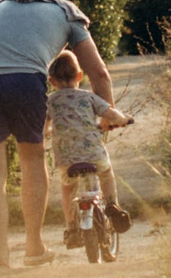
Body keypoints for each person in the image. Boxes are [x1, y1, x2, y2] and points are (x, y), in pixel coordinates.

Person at [0, 0, 114, 267]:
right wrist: (105, 119)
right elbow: (99, 73)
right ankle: (34, 248)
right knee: (31, 159)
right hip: (24, 79)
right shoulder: (65, 10)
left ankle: (0, 254)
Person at [45, 52, 133, 246]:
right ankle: (112, 205)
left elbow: (43, 129)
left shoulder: (50, 102)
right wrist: (123, 119)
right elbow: (110, 114)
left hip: (67, 160)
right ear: (79, 76)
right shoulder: (89, 98)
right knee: (107, 172)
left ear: (52, 81)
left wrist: (49, 132)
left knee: (68, 189)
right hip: (94, 155)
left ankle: (71, 228)